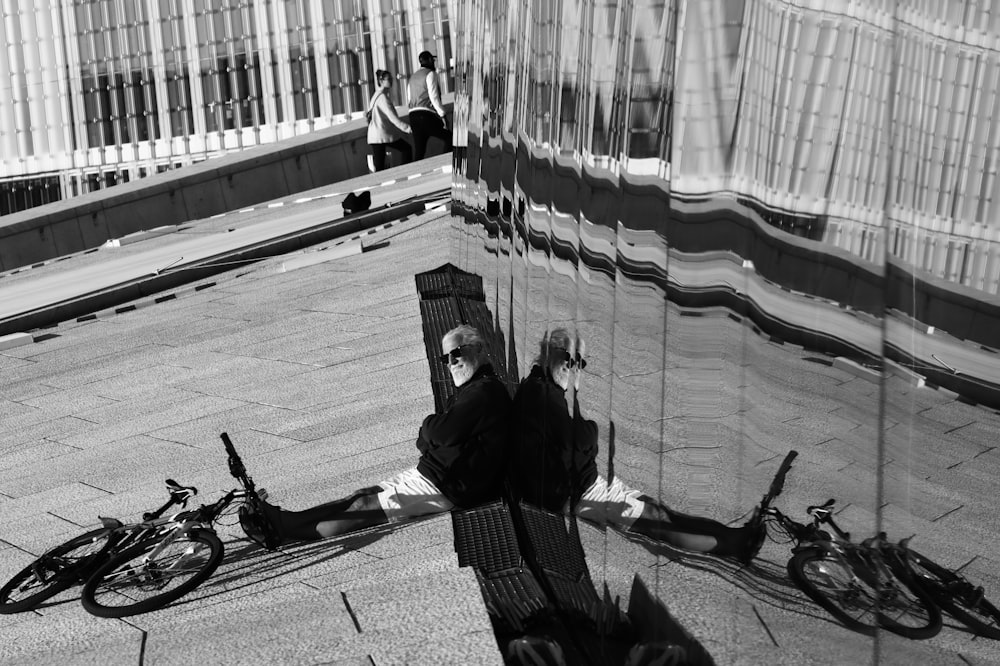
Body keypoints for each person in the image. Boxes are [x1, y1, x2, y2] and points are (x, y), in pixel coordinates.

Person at [508, 328, 765, 564]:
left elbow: (563, 446)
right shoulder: (544, 395)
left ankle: (734, 536)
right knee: (655, 520)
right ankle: (734, 546)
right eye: (567, 358)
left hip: (578, 485)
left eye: (579, 362)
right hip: (576, 493)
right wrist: (591, 429)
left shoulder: (541, 387)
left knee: (658, 511)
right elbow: (576, 441)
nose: (572, 367)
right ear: (548, 354)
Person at [241, 325, 511, 546]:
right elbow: (430, 439)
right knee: (361, 496)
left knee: (365, 507)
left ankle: (285, 530)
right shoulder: (473, 390)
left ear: (479, 350)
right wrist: (431, 433)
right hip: (437, 473)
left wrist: (429, 424)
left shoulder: (483, 392)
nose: (451, 362)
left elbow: (439, 432)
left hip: (449, 486)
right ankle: (287, 521)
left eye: (457, 353)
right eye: (445, 358)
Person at [406, 50, 453, 160]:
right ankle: (443, 162)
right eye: (432, 60)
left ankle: (415, 174)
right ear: (429, 60)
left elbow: (409, 99)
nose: (434, 62)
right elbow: (434, 97)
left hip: (413, 116)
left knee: (419, 150)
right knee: (449, 137)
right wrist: (443, 115)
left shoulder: (412, 77)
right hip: (425, 115)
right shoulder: (430, 74)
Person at [367, 69, 413, 172]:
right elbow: (393, 118)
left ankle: (382, 183)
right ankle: (404, 172)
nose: (391, 81)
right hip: (381, 133)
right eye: (388, 79)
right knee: (406, 149)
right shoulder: (383, 98)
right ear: (381, 81)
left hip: (375, 134)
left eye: (391, 78)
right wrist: (408, 128)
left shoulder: (376, 96)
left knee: (380, 165)